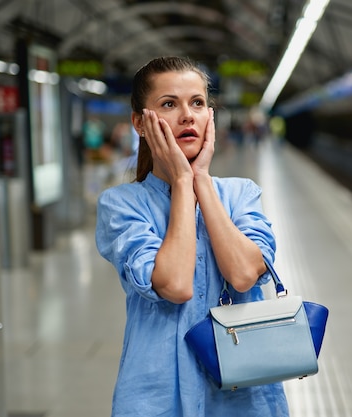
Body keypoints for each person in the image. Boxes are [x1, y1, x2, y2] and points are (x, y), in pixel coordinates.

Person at [95, 56, 289, 416]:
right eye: (169, 104)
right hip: (157, 399)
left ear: (209, 117)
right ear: (140, 122)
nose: (187, 115)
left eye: (197, 103)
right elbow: (175, 284)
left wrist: (202, 180)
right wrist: (184, 182)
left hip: (243, 400)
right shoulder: (121, 205)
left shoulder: (241, 194)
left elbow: (244, 274)